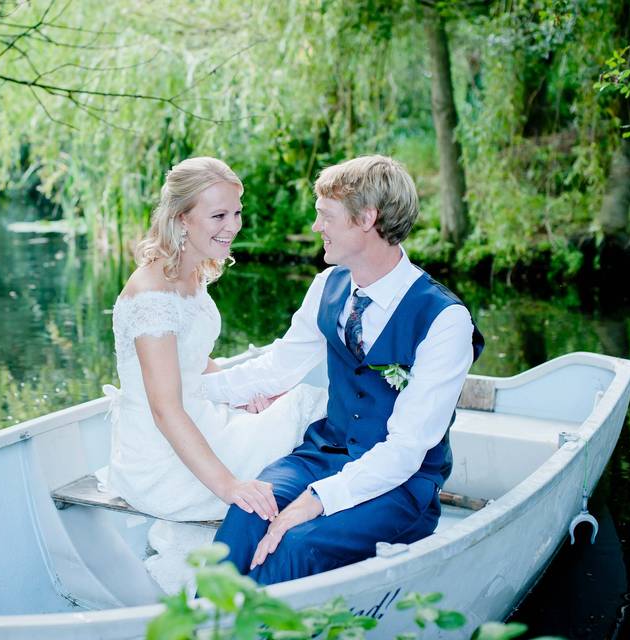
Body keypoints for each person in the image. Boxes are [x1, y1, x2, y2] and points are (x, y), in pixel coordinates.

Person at [203, 155, 485, 585]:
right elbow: (278, 368)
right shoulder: (328, 285)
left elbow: (407, 449)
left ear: (367, 219)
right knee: (248, 509)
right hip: (324, 453)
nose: (317, 228)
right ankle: (205, 624)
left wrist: (316, 499)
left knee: (298, 544)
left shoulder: (444, 320)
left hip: (400, 484)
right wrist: (189, 391)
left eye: (326, 216)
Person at [106, 157, 327, 526]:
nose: (233, 226)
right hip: (161, 455)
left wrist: (239, 398)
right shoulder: (151, 296)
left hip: (199, 415)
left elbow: (193, 360)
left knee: (296, 402)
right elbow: (165, 409)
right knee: (307, 406)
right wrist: (228, 486)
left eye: (237, 213)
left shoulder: (189, 272)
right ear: (181, 219)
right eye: (219, 216)